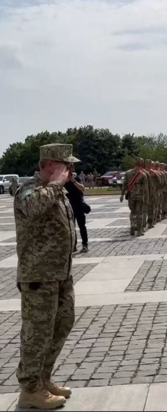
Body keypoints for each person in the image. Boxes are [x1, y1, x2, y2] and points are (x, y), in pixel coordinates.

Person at [13, 143, 78, 409]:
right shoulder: (28, 189)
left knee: (62, 325)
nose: (71, 170)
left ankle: (43, 379)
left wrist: (60, 186)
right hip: (39, 276)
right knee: (37, 333)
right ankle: (30, 389)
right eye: (67, 165)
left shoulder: (57, 191)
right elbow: (33, 208)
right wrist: (55, 185)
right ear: (51, 165)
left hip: (61, 275)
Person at [120, 158, 149, 236]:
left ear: (134, 164)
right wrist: (147, 198)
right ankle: (139, 230)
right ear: (142, 164)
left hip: (131, 196)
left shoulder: (128, 173)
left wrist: (122, 195)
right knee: (139, 213)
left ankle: (132, 226)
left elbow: (124, 185)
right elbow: (146, 188)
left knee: (133, 212)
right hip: (140, 196)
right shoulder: (143, 174)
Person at [65, 166, 89, 253]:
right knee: (71, 227)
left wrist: (73, 181)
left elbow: (82, 188)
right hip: (68, 207)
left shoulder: (76, 179)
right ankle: (73, 245)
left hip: (78, 206)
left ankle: (85, 245)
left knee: (82, 226)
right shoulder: (63, 181)